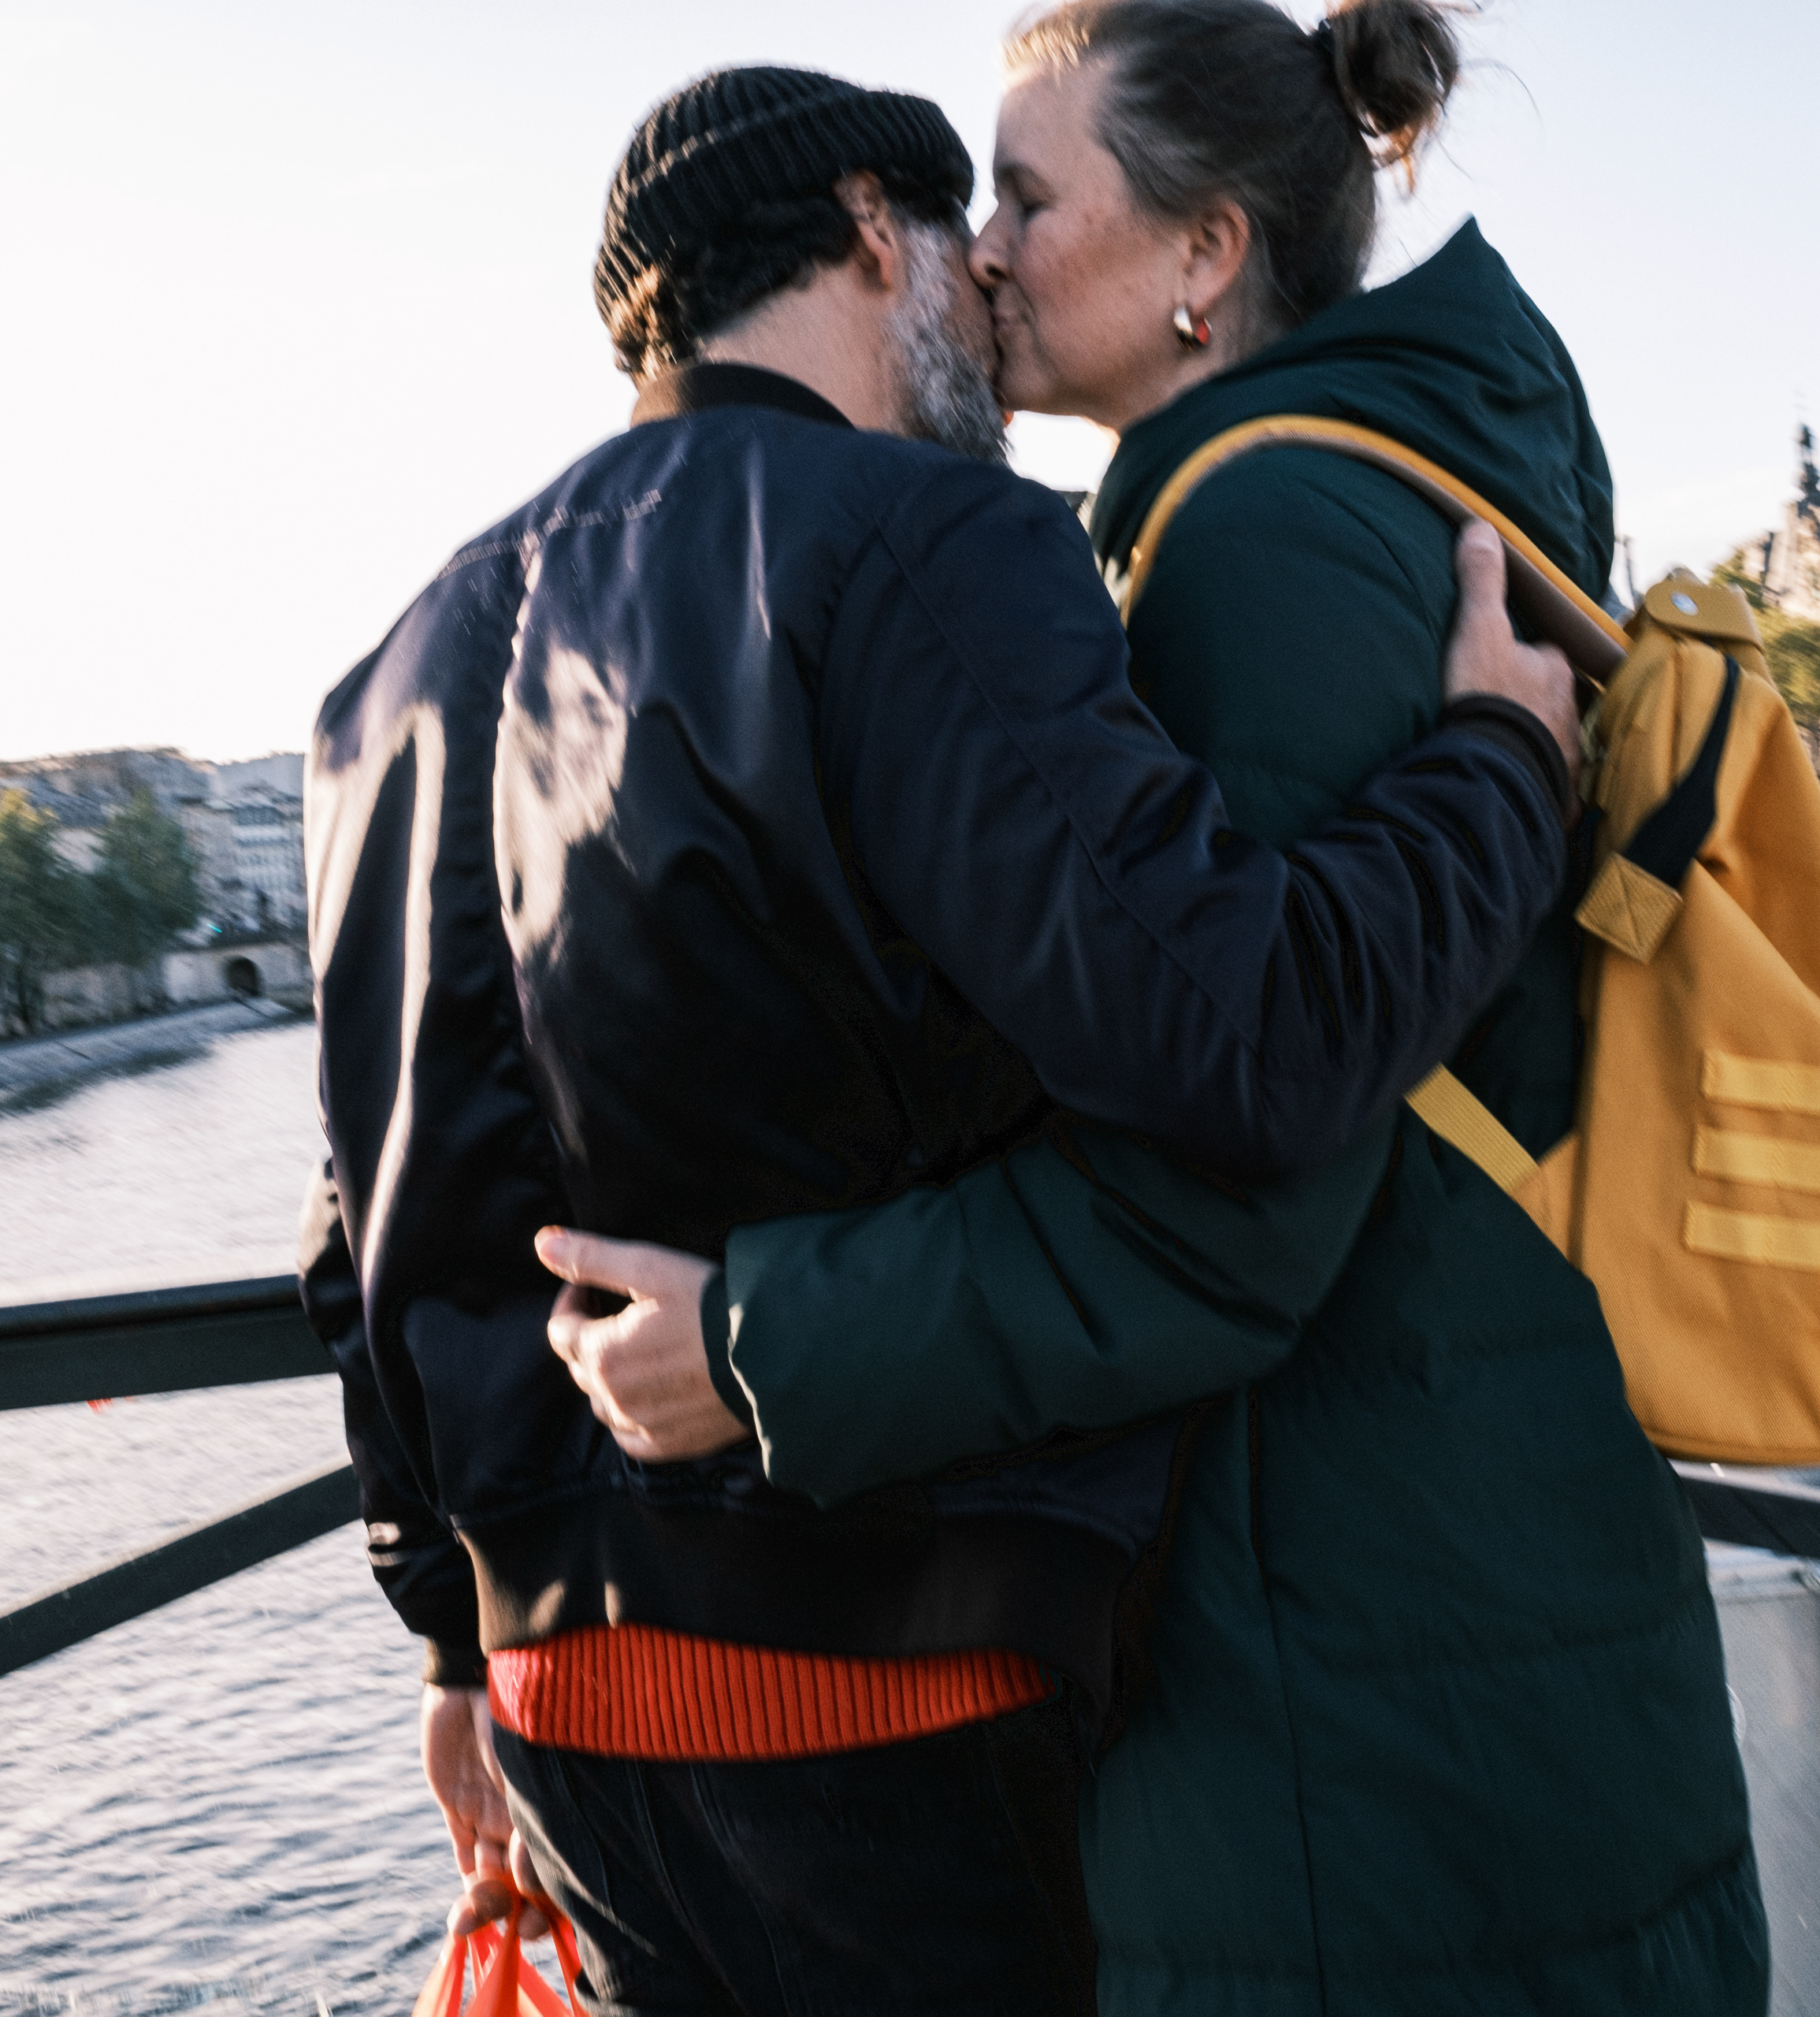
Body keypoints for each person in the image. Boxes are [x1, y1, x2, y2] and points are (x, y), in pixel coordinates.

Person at [295, 59, 1584, 2017]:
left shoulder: (386, 677)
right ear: (871, 237)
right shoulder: (911, 543)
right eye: (957, 236)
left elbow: (362, 1219)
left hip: (564, 1709)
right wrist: (1502, 765)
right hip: (887, 1675)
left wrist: (449, 1637)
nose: (987, 285)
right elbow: (1251, 1039)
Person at [546, 4, 1767, 2009]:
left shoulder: (1258, 536)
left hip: (1344, 1704)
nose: (980, 248)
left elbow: (1236, 1177)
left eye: (1026, 194)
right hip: (1494, 1606)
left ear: (1206, 255)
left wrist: (769, 1333)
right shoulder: (1411, 461)